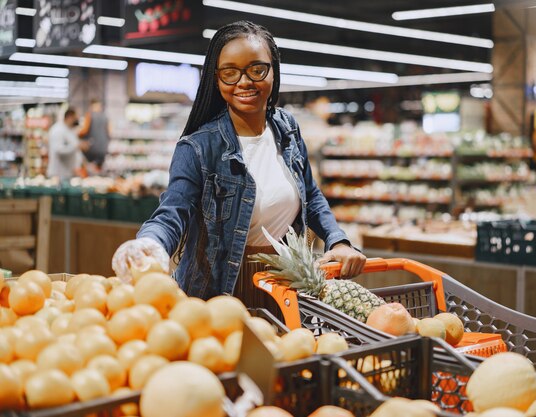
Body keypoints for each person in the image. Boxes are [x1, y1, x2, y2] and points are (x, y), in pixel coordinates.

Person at [112, 20, 366, 305]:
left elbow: (311, 194)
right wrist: (149, 244)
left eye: (257, 69)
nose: (244, 82)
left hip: (285, 286)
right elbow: (172, 211)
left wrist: (338, 240)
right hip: (218, 292)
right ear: (216, 78)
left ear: (273, 71)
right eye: (230, 73)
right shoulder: (198, 147)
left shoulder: (287, 129)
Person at [47, 108, 88, 180]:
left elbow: (76, 149)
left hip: (69, 174)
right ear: (69, 117)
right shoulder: (58, 130)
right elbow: (59, 150)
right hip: (58, 175)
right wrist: (76, 146)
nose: (77, 120)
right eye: (76, 118)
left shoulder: (70, 130)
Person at [78, 99, 111, 171]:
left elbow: (84, 131)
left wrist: (76, 134)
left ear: (91, 106)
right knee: (100, 168)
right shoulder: (105, 117)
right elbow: (109, 132)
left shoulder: (89, 115)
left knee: (90, 168)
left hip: (92, 148)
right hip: (103, 148)